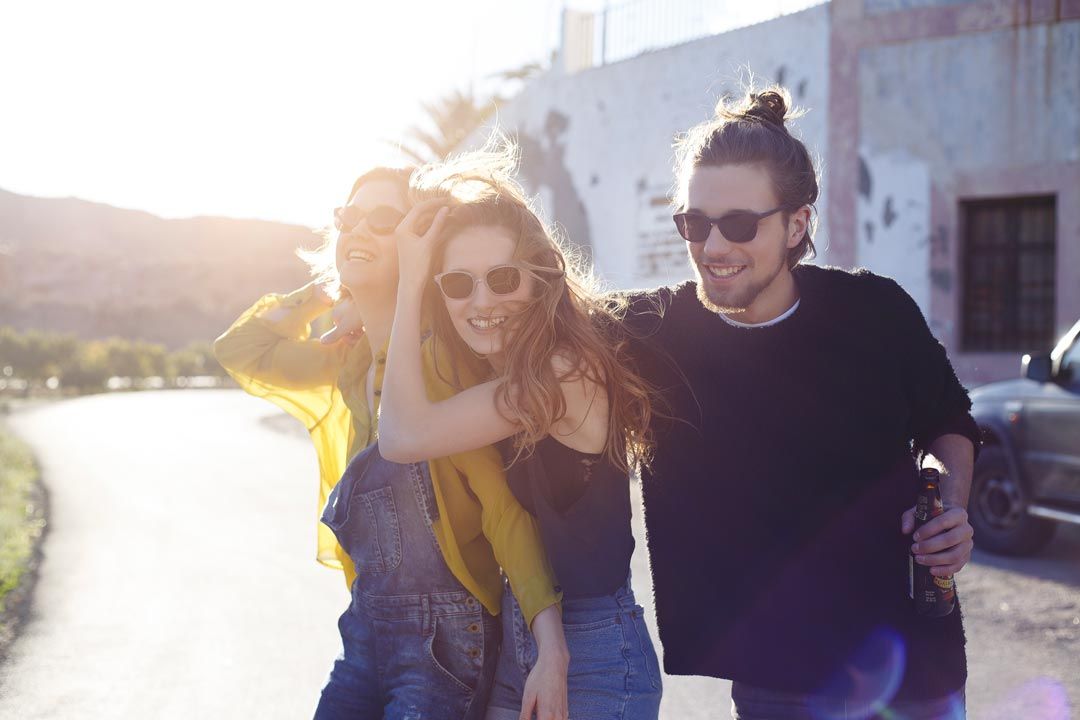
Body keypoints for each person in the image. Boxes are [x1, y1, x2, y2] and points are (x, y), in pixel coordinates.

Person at [623, 86, 977, 719]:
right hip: (775, 678)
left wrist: (950, 506)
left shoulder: (875, 310)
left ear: (797, 224)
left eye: (739, 224)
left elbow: (948, 421)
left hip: (914, 669)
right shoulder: (655, 333)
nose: (713, 247)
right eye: (695, 224)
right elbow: (538, 316)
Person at [212, 167, 567, 719]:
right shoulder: (348, 362)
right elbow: (240, 348)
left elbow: (502, 511)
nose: (357, 229)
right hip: (364, 628)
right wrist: (328, 289)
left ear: (419, 243)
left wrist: (551, 644)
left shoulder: (439, 365)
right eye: (347, 218)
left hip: (445, 640)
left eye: (382, 220)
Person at [377, 144, 664, 720]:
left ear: (538, 281)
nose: (482, 301)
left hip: (594, 656)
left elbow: (402, 436)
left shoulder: (561, 371)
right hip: (526, 634)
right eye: (458, 283)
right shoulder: (501, 369)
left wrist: (410, 283)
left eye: (504, 278)